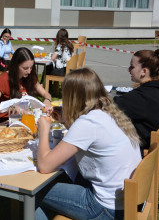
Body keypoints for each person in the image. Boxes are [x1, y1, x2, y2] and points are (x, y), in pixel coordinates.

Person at [35, 68, 141, 220]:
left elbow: (45, 166)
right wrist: (66, 120)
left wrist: (43, 130)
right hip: (124, 201)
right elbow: (88, 139)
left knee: (35, 190)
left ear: (72, 97)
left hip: (105, 208)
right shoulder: (107, 112)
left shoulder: (87, 123)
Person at [114, 49, 159, 169]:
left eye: (132, 67)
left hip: (152, 161)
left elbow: (110, 108)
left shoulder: (141, 97)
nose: (129, 70)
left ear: (144, 71)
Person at [0, 47, 52, 124]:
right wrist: (11, 108)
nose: (29, 71)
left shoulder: (29, 77)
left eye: (31, 67)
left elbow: (46, 94)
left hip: (24, 119)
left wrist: (47, 101)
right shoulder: (4, 78)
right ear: (16, 66)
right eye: (25, 68)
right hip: (6, 122)